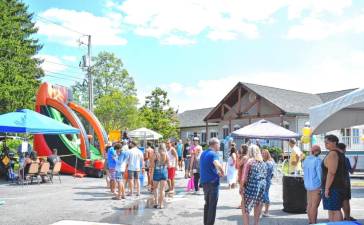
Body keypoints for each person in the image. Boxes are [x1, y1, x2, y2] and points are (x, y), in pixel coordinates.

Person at [322, 134, 347, 222]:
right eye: (324, 142)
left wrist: (326, 188)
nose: (325, 144)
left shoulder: (333, 153)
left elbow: (331, 172)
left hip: (333, 187)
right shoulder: (339, 153)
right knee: (332, 209)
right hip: (337, 186)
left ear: (334, 142)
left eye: (327, 142)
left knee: (335, 210)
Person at [200, 138, 224, 225]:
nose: (220, 146)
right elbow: (217, 164)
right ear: (214, 144)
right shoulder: (213, 154)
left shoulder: (204, 153)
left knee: (207, 204)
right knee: (212, 205)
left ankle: (206, 222)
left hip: (205, 182)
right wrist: (222, 172)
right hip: (213, 182)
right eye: (219, 144)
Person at [241, 145, 267, 225]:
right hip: (262, 186)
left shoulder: (249, 162)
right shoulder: (262, 162)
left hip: (251, 186)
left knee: (245, 206)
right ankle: (256, 223)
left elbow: (244, 178)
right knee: (258, 204)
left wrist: (241, 187)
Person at [337, 143, 358, 221]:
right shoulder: (345, 158)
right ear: (344, 149)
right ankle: (347, 217)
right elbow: (351, 171)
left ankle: (344, 216)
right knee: (345, 200)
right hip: (345, 182)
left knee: (339, 200)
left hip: (336, 183)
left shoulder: (334, 157)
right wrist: (355, 161)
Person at [303, 145, 322, 224]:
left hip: (308, 184)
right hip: (316, 185)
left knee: (310, 204)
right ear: (317, 151)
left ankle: (310, 221)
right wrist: (322, 185)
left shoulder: (306, 159)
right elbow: (320, 174)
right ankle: (313, 222)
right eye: (319, 151)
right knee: (314, 205)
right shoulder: (317, 160)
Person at [150, 143, 169, 209]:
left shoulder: (155, 155)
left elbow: (152, 166)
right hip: (164, 171)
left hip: (156, 172)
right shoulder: (166, 154)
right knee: (162, 190)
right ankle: (161, 204)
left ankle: (156, 203)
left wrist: (151, 175)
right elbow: (169, 165)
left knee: (155, 188)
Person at [262, 149, 275, 217]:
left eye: (264, 153)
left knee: (265, 195)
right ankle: (265, 211)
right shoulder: (267, 161)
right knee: (264, 195)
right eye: (262, 153)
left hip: (266, 181)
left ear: (267, 154)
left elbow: (270, 173)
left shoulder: (268, 162)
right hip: (266, 180)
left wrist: (268, 178)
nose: (263, 154)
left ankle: (266, 211)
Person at [237, 144, 249, 210]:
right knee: (243, 190)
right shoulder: (247, 156)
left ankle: (243, 204)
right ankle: (243, 203)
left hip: (242, 175)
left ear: (243, 149)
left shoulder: (244, 157)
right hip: (242, 174)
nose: (240, 149)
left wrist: (238, 157)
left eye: (241, 148)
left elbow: (238, 165)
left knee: (242, 190)